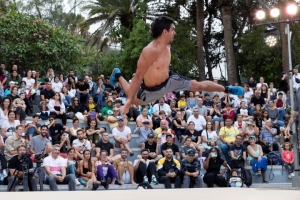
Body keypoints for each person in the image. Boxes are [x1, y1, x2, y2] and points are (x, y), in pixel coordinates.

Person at [109, 16, 244, 115]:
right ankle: (118, 75)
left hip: (170, 80)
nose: (175, 32)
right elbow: (138, 76)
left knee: (199, 85)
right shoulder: (149, 51)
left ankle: (227, 89)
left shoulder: (168, 44)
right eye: (172, 29)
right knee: (137, 101)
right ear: (165, 32)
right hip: (151, 90)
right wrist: (128, 102)